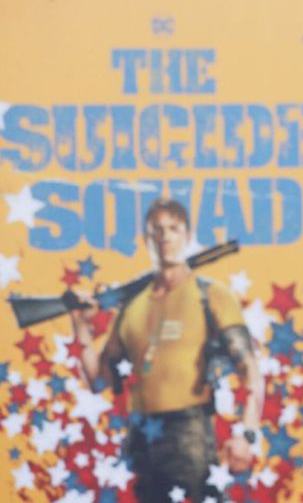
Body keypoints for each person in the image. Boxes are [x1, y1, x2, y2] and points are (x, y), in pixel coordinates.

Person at [69, 197, 264, 503]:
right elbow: (99, 379)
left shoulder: (210, 295)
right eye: (157, 230)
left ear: (187, 235)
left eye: (173, 228)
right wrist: (81, 327)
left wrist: (247, 434)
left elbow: (250, 369)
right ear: (147, 239)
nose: (165, 237)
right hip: (143, 437)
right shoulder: (131, 308)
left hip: (190, 433)